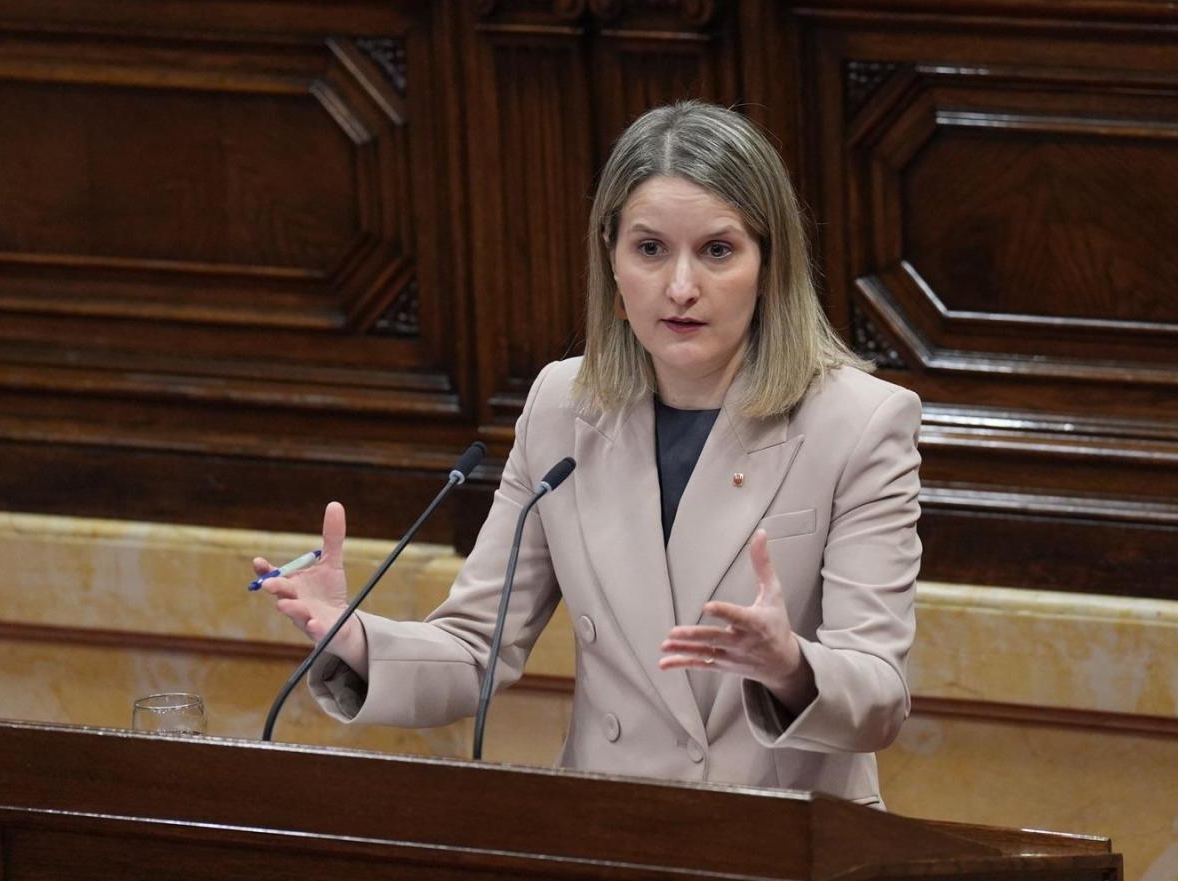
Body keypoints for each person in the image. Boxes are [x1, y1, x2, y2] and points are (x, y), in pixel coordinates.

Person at [256, 101, 922, 806]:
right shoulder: (562, 406)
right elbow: (476, 649)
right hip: (608, 838)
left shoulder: (859, 421)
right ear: (612, 260)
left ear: (770, 265)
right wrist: (353, 635)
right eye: (650, 249)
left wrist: (791, 668)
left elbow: (879, 695)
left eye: (718, 250)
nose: (681, 287)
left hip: (777, 851)